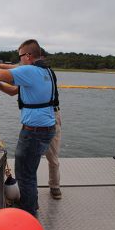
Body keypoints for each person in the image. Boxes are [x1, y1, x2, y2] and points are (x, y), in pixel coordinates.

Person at [0, 39, 56, 216]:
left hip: (34, 132)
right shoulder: (45, 71)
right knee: (29, 173)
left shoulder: (31, 71)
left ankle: (28, 212)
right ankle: (33, 204)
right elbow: (11, 91)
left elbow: (2, 74)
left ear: (28, 56)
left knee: (25, 175)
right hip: (45, 129)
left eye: (20, 56)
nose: (19, 60)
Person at [40, 48, 62, 200]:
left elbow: (14, 71)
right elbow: (13, 89)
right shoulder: (31, 72)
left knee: (52, 156)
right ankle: (27, 189)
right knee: (29, 157)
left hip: (51, 115)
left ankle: (55, 186)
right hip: (38, 117)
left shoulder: (46, 72)